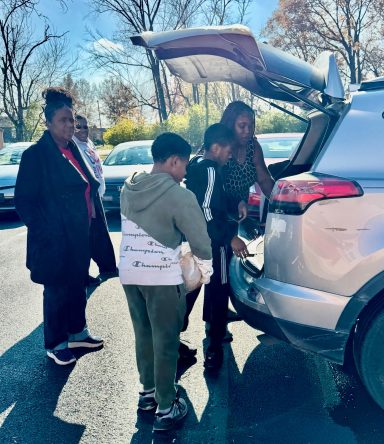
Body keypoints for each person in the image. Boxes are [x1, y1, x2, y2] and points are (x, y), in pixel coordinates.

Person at [119, 132, 212, 431]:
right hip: (160, 276)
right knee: (166, 340)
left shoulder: (128, 187)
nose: (185, 173)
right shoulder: (179, 195)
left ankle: (147, 394)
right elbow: (200, 242)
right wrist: (204, 271)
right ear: (173, 161)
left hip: (130, 273)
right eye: (184, 165)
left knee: (143, 334)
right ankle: (166, 407)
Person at [14, 87, 106, 366]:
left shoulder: (73, 150)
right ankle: (55, 343)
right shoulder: (36, 155)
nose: (70, 125)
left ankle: (78, 333)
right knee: (56, 291)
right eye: (64, 120)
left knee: (77, 285)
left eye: (72, 120)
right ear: (49, 123)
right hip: (54, 240)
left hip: (79, 235)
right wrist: (49, 232)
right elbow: (24, 202)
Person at [185, 123, 249, 371]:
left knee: (193, 287)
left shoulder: (196, 164)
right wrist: (229, 238)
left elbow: (213, 197)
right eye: (228, 150)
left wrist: (237, 202)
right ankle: (214, 347)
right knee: (219, 289)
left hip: (199, 240)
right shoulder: (211, 169)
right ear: (216, 147)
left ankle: (175, 336)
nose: (230, 155)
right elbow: (208, 210)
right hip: (215, 242)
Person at [73, 114, 117, 285]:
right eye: (79, 127)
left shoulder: (88, 144)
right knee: (87, 237)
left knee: (100, 234)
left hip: (96, 195)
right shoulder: (74, 146)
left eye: (85, 127)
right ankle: (83, 275)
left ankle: (108, 268)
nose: (83, 130)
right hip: (87, 197)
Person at [220, 101, 275, 222]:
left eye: (251, 125)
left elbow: (264, 180)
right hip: (217, 214)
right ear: (230, 125)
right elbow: (213, 188)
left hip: (240, 213)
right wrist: (235, 204)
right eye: (242, 126)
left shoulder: (253, 147)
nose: (248, 131)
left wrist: (280, 202)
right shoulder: (219, 147)